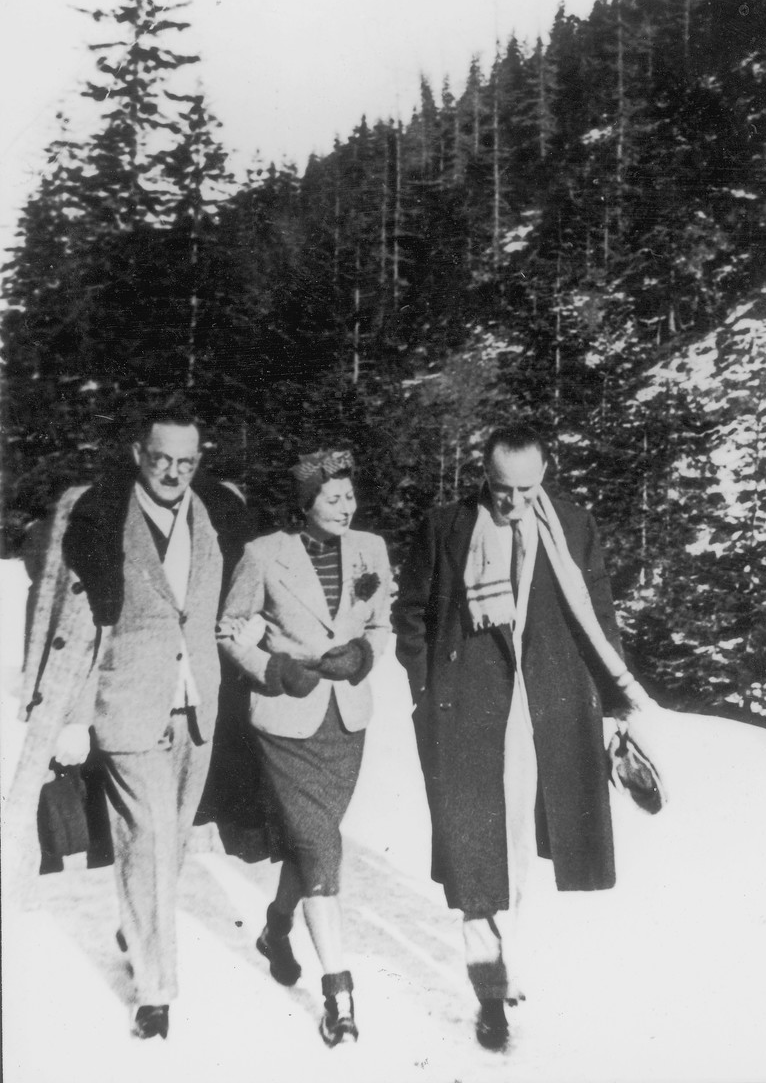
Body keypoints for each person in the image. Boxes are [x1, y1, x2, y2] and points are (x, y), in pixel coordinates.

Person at [393, 422, 657, 1051]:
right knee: (473, 850)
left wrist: (615, 697)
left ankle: (507, 963)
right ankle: (490, 991)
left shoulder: (573, 525)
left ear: (546, 473)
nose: (510, 503)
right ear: (482, 474)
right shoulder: (446, 525)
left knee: (526, 843)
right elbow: (413, 614)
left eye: (524, 489)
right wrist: (429, 692)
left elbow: (596, 612)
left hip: (546, 708)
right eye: (499, 488)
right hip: (468, 711)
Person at [42, 403, 251, 1040]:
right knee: (152, 836)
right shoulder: (103, 519)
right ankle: (157, 992)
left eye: (185, 462)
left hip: (197, 705)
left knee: (171, 840)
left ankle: (137, 923)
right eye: (161, 459)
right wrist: (73, 716)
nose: (172, 472)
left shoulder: (217, 515)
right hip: (127, 704)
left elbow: (239, 591)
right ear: (139, 454)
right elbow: (79, 628)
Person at [216, 448, 392, 1048]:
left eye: (351, 495)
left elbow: (381, 624)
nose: (349, 506)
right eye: (334, 496)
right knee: (321, 845)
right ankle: (338, 992)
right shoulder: (262, 556)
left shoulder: (372, 549)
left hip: (346, 721)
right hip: (286, 722)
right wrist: (272, 668)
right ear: (305, 500)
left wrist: (366, 654)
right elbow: (227, 630)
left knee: (310, 839)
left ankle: (276, 927)